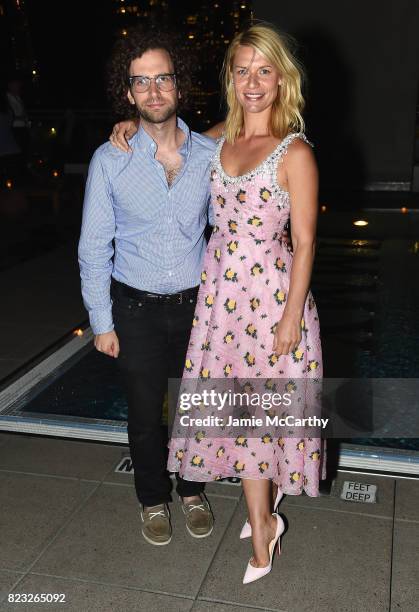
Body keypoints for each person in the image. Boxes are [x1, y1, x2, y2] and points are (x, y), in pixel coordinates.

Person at [110, 22, 326, 584]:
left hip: (271, 304)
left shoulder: (294, 151)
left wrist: (289, 320)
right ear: (230, 76)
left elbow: (305, 244)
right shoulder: (215, 141)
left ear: (282, 79)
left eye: (264, 70)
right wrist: (132, 125)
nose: (253, 81)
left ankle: (262, 532)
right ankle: (264, 516)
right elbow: (165, 141)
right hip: (219, 306)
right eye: (242, 68)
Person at [78, 27, 218, 546]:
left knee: (196, 409)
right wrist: (101, 323)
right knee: (143, 415)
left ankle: (193, 489)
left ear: (179, 85)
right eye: (142, 82)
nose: (153, 91)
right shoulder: (109, 159)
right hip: (133, 308)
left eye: (163, 79)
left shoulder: (210, 155)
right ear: (128, 92)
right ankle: (153, 499)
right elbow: (93, 248)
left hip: (196, 309)